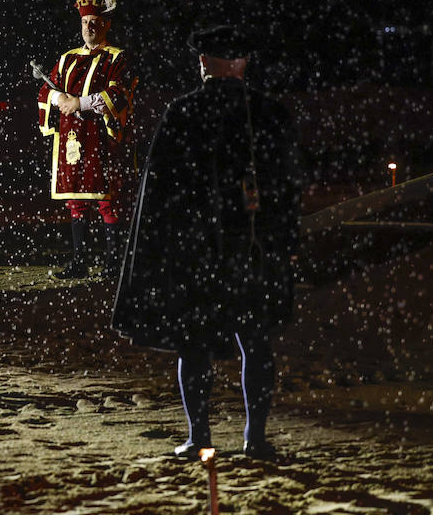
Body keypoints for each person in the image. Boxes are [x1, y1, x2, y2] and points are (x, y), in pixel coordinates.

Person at [111, 25, 304, 461]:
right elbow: (289, 186)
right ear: (245, 62)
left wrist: (161, 251)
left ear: (204, 62)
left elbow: (158, 194)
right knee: (255, 342)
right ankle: (255, 439)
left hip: (196, 252)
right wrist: (287, 240)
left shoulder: (183, 113)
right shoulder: (270, 113)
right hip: (253, 249)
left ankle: (200, 436)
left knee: (194, 345)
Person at [37, 0, 137, 278]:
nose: (89, 28)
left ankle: (112, 264)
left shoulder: (118, 58)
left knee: (107, 200)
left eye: (95, 22)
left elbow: (119, 93)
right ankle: (80, 261)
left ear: (105, 25)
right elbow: (44, 92)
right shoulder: (67, 58)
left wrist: (78, 102)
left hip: (102, 137)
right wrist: (59, 99)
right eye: (85, 23)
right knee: (76, 201)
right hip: (71, 140)